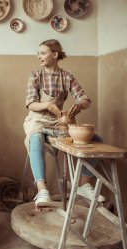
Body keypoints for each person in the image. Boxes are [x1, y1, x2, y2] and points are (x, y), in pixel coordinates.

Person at [23, 39, 105, 209]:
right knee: (36, 138)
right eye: (38, 53)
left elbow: (85, 99)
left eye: (43, 53)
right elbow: (31, 104)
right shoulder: (35, 75)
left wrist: (80, 105)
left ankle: (82, 184)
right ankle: (42, 190)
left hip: (59, 121)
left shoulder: (67, 76)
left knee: (96, 139)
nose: (39, 56)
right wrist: (46, 105)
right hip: (37, 119)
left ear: (55, 54)